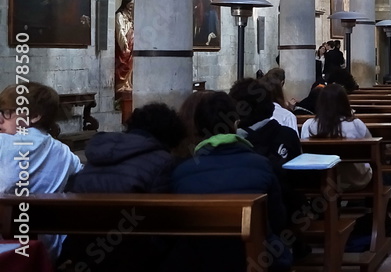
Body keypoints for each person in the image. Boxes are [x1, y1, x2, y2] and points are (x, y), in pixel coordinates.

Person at [171, 90, 290, 272]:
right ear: (236, 123)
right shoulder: (262, 165)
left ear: (197, 127)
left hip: (201, 260)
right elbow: (278, 219)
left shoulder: (182, 172)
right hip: (254, 257)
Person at [62, 103, 186, 271]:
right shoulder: (163, 162)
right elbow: (161, 223)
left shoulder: (98, 153)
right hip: (134, 256)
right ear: (170, 136)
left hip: (83, 250)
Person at [0, 82, 83, 259]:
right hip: (46, 250)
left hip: (6, 248)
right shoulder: (65, 154)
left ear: (35, 116)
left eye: (8, 113)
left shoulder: (3, 143)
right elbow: (81, 179)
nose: (1, 119)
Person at [300, 84, 372, 191]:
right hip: (353, 179)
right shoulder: (356, 124)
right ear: (345, 102)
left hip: (320, 180)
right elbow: (371, 149)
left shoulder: (309, 125)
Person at [114, 0, 134, 114]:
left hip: (131, 44)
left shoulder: (129, 16)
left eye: (132, 5)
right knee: (123, 64)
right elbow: (120, 30)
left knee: (130, 64)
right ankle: (121, 85)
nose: (131, 7)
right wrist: (124, 43)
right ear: (125, 4)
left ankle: (127, 84)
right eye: (130, 5)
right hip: (124, 45)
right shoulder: (119, 15)